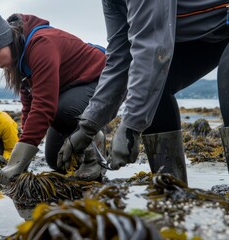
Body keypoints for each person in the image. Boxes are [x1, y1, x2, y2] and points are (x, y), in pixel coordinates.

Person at [58, 0, 229, 185]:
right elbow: (119, 58)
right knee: (155, 92)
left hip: (219, 23)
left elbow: (153, 49)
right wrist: (87, 127)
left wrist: (131, 126)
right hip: (205, 34)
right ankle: (173, 196)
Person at [0, 8, 106, 185]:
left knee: (61, 111)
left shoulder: (42, 44)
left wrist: (15, 165)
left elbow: (44, 107)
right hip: (68, 91)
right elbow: (29, 108)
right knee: (55, 161)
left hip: (101, 79)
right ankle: (80, 152)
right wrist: (21, 159)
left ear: (8, 40)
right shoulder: (19, 61)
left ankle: (93, 153)